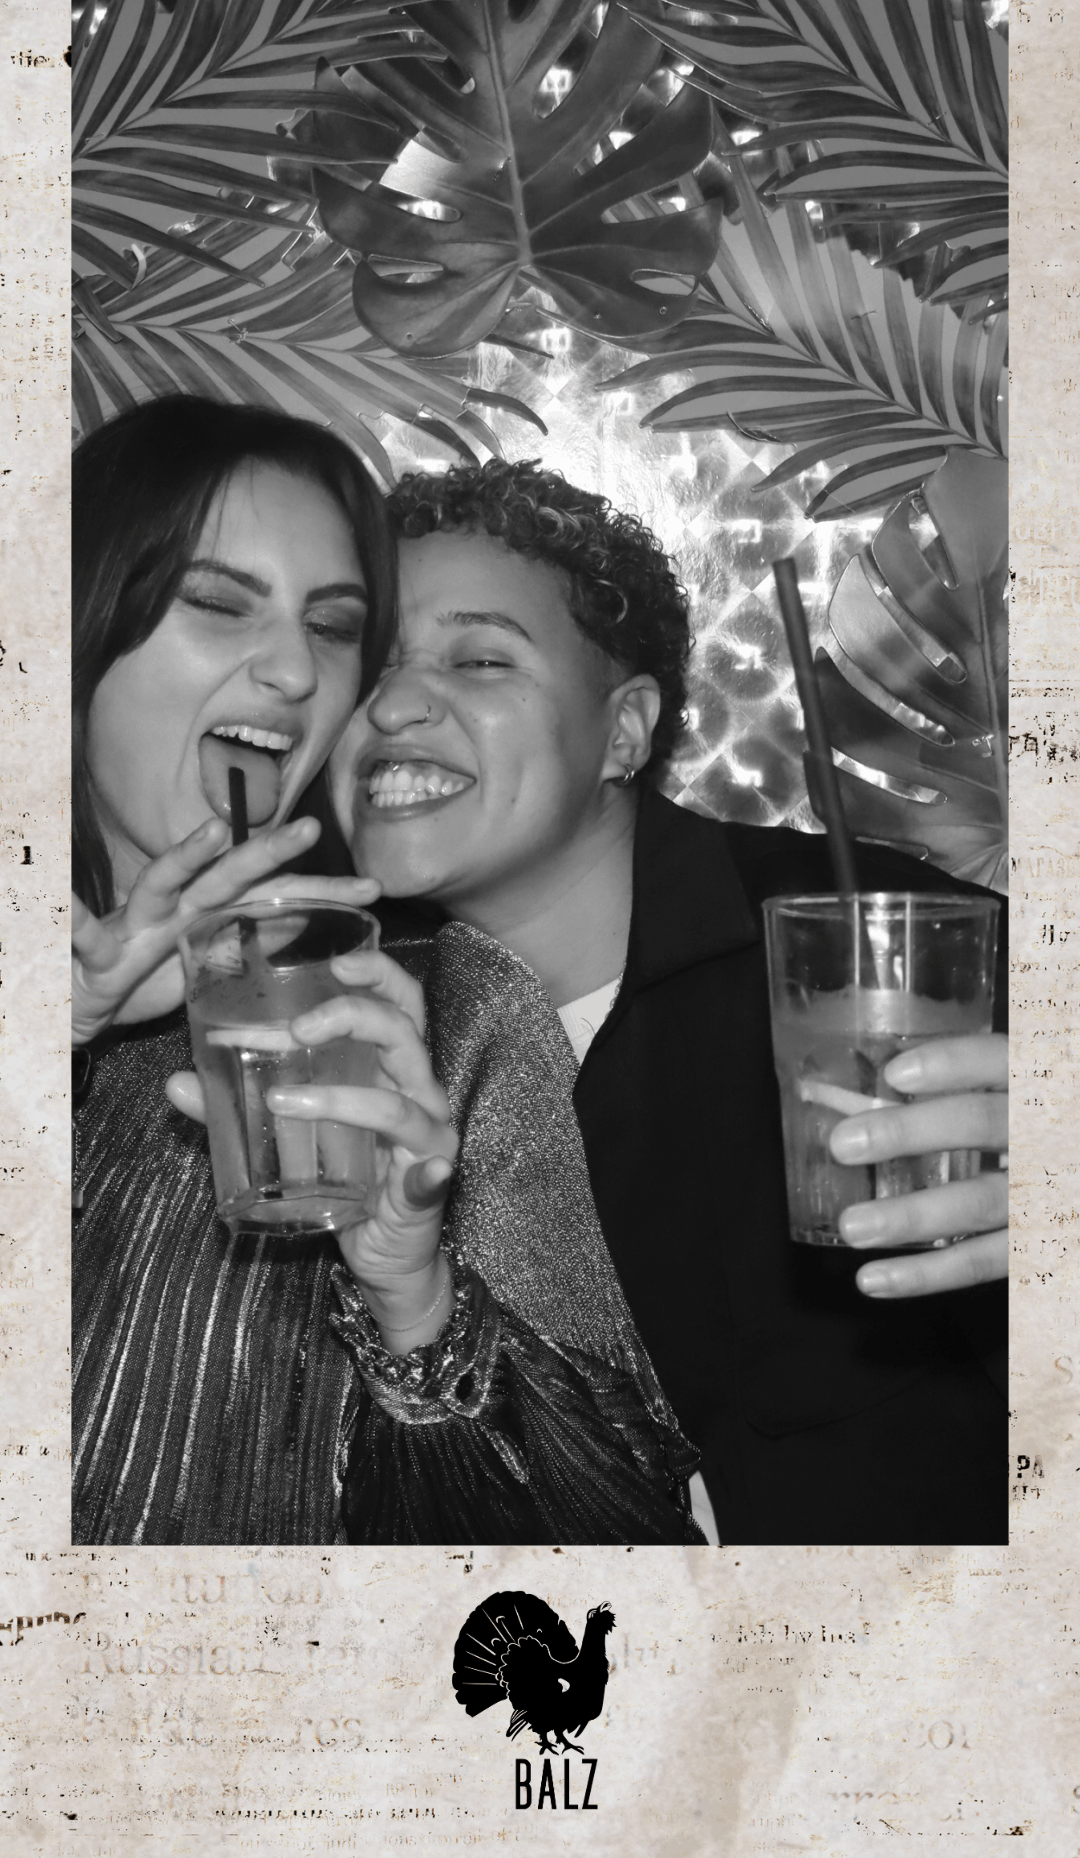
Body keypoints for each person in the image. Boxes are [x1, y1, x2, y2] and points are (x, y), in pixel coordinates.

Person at [249, 457, 1007, 1545]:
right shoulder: (328, 1030)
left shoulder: (895, 948)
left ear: (624, 732)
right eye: (372, 664)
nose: (396, 702)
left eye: (480, 657)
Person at [72, 398, 694, 1546]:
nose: (296, 671)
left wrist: (416, 1306)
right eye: (220, 602)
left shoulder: (424, 1020)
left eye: (331, 626)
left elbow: (630, 1554)